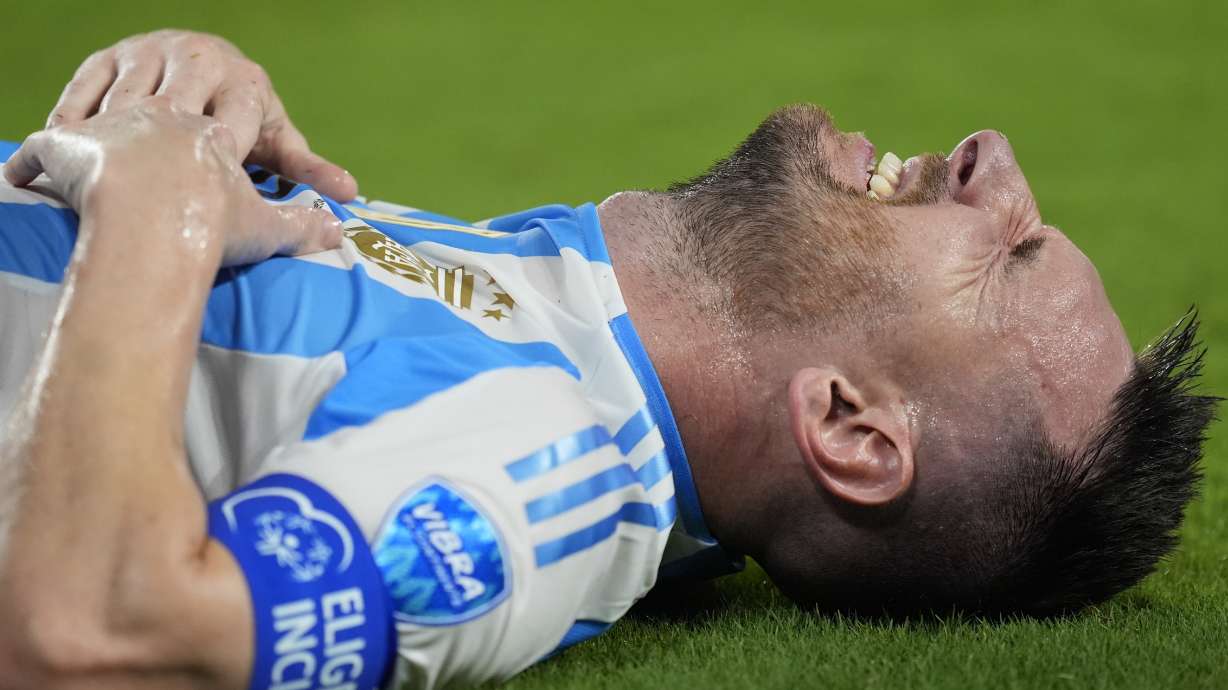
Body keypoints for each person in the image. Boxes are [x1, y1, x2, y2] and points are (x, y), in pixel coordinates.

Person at [0, 30, 1215, 690]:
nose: (989, 156)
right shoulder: (557, 310)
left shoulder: (545, 466)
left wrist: (155, 211)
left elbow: (97, 636)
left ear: (851, 427)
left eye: (1002, 251)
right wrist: (204, 105)